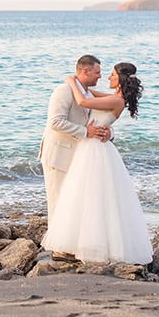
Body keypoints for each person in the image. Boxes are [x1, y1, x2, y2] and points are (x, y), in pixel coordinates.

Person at [41, 62, 153, 265]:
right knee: (83, 197)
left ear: (121, 79)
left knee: (91, 198)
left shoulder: (117, 100)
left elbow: (83, 101)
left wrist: (71, 81)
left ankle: (82, 246)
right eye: (100, 73)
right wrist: (77, 83)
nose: (106, 77)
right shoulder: (113, 97)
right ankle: (70, 245)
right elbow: (89, 94)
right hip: (87, 148)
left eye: (110, 74)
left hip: (93, 149)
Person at [38, 55, 112, 221]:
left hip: (78, 157)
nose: (100, 76)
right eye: (97, 72)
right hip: (58, 155)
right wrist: (86, 132)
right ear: (85, 71)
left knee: (73, 203)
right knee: (57, 201)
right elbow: (56, 122)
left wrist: (109, 133)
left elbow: (100, 120)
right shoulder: (64, 91)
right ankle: (57, 246)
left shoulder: (88, 95)